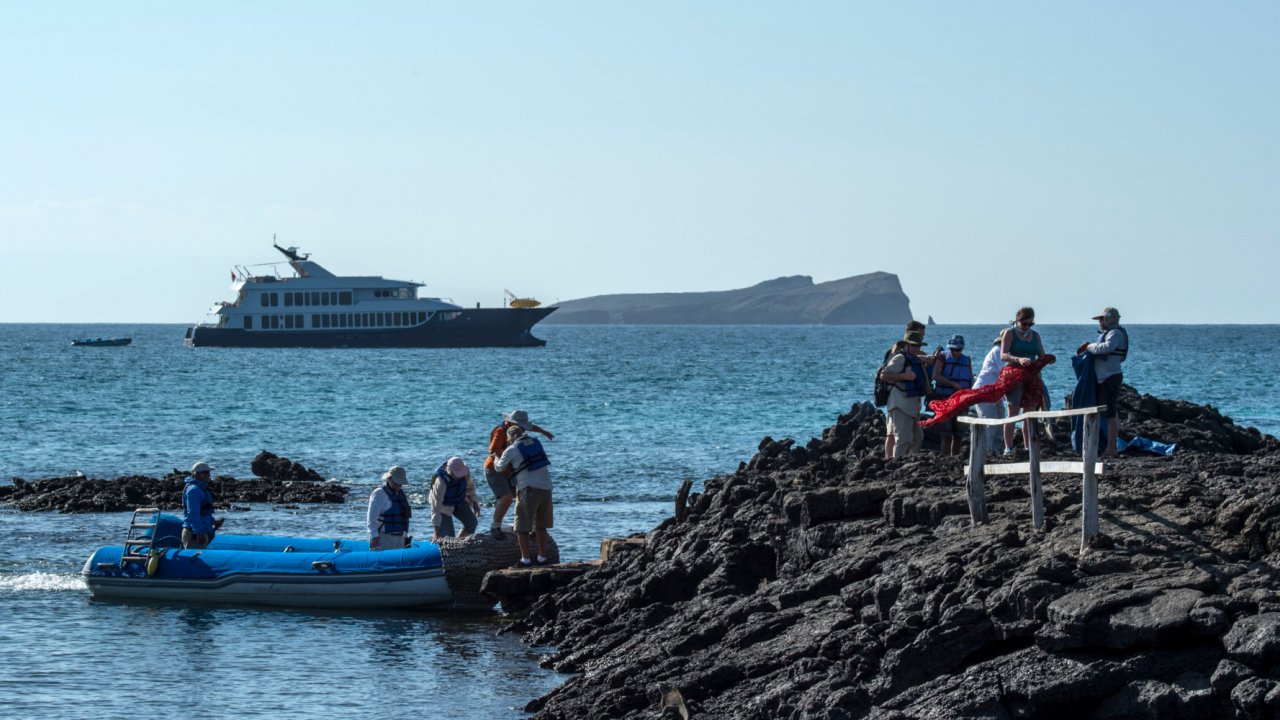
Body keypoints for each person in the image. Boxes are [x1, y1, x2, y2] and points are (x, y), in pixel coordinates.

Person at [484, 409, 554, 539]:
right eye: (522, 427)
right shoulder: (500, 431)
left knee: (525, 497)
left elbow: (531, 427)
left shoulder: (519, 429)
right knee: (506, 498)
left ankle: (532, 528)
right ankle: (495, 527)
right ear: (512, 423)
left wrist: (544, 432)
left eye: (524, 427)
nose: (524, 430)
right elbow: (492, 451)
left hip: (511, 470)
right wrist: (508, 456)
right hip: (494, 469)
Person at [494, 424, 554, 566]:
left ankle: (525, 560)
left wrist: (496, 457)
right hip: (546, 487)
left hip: (528, 489)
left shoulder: (512, 449)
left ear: (511, 437)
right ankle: (542, 558)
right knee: (541, 526)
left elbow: (499, 468)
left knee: (522, 527)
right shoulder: (536, 442)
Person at [1077, 307, 1129, 457]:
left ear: (1109, 319)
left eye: (1102, 319)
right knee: (1109, 412)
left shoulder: (1115, 333)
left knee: (1110, 413)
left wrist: (1089, 346)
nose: (1100, 322)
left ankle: (1111, 448)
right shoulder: (1110, 333)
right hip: (1105, 378)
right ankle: (1107, 445)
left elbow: (1107, 348)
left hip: (1110, 378)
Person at [999, 307, 1047, 455]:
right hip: (1014, 375)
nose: (1027, 327)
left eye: (1031, 324)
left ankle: (1028, 447)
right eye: (1025, 324)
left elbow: (1041, 355)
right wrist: (1018, 359)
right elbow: (1003, 355)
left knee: (1029, 413)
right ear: (1017, 321)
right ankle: (1008, 447)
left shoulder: (1035, 335)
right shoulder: (1010, 333)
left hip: (1032, 376)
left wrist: (1046, 361)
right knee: (1013, 411)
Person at [883, 321, 933, 458]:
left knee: (917, 438)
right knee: (902, 439)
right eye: (914, 345)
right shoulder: (900, 357)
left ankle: (908, 463)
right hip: (900, 405)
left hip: (912, 405)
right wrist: (904, 376)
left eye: (919, 345)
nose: (917, 348)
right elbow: (884, 375)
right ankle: (894, 465)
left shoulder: (914, 358)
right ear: (906, 345)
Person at [931, 335, 974, 456]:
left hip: (961, 401)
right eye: (953, 349)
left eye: (958, 350)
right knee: (946, 433)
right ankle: (945, 458)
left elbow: (970, 378)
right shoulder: (942, 357)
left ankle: (955, 458)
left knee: (959, 434)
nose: (956, 352)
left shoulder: (967, 360)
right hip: (945, 399)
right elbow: (936, 375)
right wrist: (953, 384)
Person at [429, 456, 481, 541]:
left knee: (472, 523)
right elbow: (436, 507)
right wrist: (436, 531)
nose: (460, 476)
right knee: (449, 537)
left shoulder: (465, 471)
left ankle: (459, 544)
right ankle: (445, 542)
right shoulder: (440, 481)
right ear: (450, 471)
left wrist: (474, 502)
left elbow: (470, 487)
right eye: (458, 474)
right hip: (443, 506)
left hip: (459, 499)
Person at [970, 335, 1007, 453]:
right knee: (990, 424)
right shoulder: (998, 351)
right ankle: (986, 453)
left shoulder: (1003, 352)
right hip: (984, 391)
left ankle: (995, 452)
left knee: (1000, 423)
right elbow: (1005, 371)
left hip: (995, 392)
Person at [367, 465, 413, 550]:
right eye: (396, 483)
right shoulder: (378, 493)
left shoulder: (401, 494)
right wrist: (374, 537)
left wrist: (405, 535)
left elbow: (404, 517)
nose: (398, 486)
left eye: (400, 484)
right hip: (384, 537)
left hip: (400, 538)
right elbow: (371, 519)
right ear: (389, 479)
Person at [182, 461, 223, 549]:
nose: (209, 475)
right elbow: (193, 513)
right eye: (207, 473)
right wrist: (199, 532)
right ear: (200, 474)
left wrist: (212, 521)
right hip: (194, 534)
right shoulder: (194, 490)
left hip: (200, 532)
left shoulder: (200, 489)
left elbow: (203, 512)